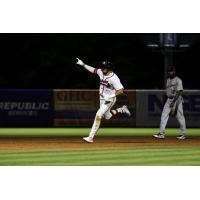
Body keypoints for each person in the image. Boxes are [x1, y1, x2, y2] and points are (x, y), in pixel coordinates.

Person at [76, 58, 131, 143]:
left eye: (104, 67)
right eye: (102, 67)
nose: (103, 68)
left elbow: (121, 90)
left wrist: (111, 95)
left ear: (109, 68)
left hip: (110, 99)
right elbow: (93, 70)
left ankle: (90, 137)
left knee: (98, 115)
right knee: (107, 116)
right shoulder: (101, 72)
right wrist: (83, 64)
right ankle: (122, 109)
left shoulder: (114, 78)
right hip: (102, 98)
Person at [153, 66, 186, 140]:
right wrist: (169, 100)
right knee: (163, 115)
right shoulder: (168, 80)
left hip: (177, 100)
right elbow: (168, 92)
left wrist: (174, 102)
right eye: (169, 71)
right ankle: (161, 134)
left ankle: (182, 134)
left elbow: (179, 91)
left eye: (171, 71)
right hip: (169, 99)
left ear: (174, 71)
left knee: (180, 117)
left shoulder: (178, 80)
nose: (170, 72)